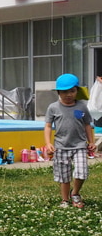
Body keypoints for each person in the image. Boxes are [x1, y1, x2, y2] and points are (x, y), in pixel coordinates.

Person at [44, 73, 95, 208]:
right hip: (61, 146)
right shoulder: (53, 108)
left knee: (82, 172)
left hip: (79, 145)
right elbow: (48, 126)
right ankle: (65, 200)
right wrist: (48, 143)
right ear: (58, 92)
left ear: (77, 91)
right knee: (63, 176)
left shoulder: (82, 107)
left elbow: (87, 125)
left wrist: (91, 142)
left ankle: (75, 193)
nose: (68, 94)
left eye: (72, 91)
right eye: (64, 92)